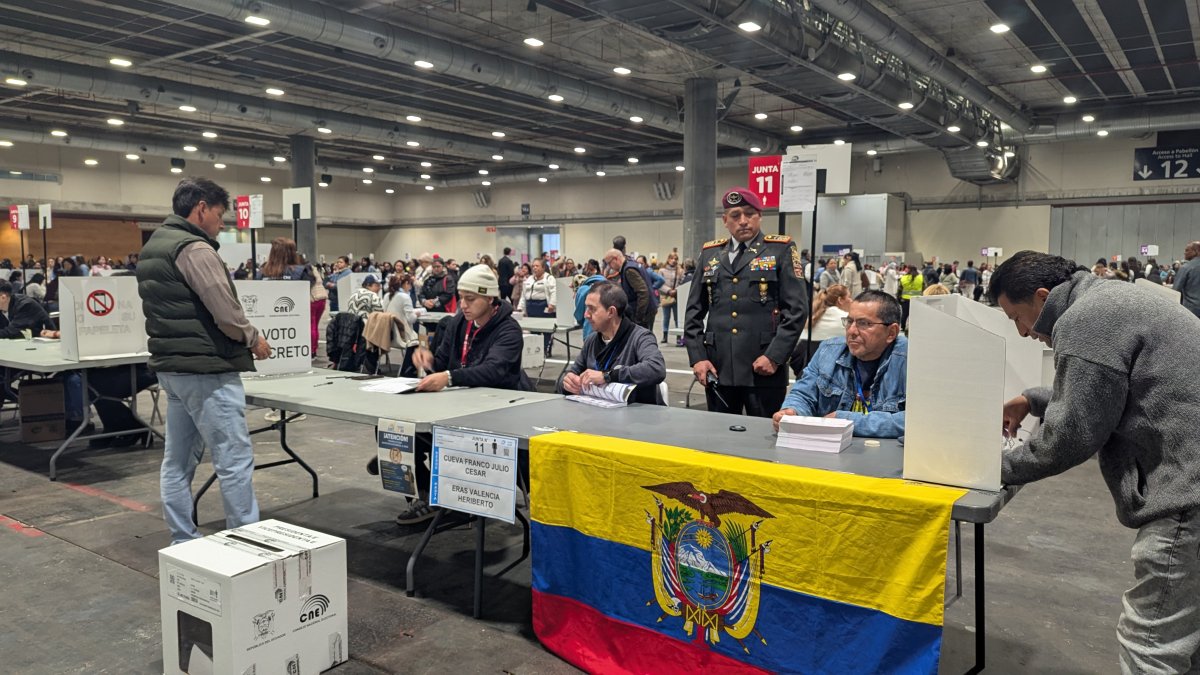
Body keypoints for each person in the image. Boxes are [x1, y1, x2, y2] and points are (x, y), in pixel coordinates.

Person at [987, 251, 1200, 674]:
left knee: (1151, 646)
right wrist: (1032, 399)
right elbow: (1113, 392)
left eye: (1017, 317)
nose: (1023, 332)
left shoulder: (1086, 319)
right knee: (1186, 641)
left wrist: (990, 467)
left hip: (1187, 496)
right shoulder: (1108, 299)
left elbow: (1071, 437)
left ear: (1043, 297)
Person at [135, 177, 271, 545]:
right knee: (233, 461)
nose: (222, 224)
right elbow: (225, 312)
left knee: (177, 463)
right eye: (219, 215)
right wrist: (253, 338)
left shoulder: (154, 246)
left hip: (172, 369)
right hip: (206, 370)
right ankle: (248, 543)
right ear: (201, 208)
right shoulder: (194, 248)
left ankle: (183, 539)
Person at [397, 265, 529, 524]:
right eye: (461, 298)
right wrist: (429, 360)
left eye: (471, 299)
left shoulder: (509, 330)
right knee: (394, 429)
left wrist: (448, 377)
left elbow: (493, 371)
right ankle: (426, 494)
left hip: (498, 413)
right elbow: (445, 359)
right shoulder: (460, 322)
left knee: (432, 436)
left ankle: (453, 502)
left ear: (490, 299)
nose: (464, 305)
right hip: (459, 405)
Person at [684, 187, 807, 417]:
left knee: (762, 442)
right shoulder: (710, 254)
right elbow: (693, 312)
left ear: (760, 216)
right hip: (718, 367)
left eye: (750, 214)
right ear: (725, 220)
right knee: (719, 440)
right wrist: (698, 358)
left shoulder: (780, 249)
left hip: (762, 368)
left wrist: (774, 356)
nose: (743, 221)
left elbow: (797, 310)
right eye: (735, 215)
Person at [773, 290, 906, 438]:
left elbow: (916, 421)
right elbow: (803, 394)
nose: (852, 331)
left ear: (891, 332)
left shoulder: (910, 361)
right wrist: (793, 411)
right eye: (849, 321)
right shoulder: (828, 350)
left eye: (863, 324)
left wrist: (847, 421)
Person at [560, 282, 666, 405]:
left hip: (639, 417)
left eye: (592, 309)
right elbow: (572, 373)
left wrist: (607, 376)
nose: (586, 315)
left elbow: (656, 369)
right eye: (586, 308)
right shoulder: (591, 341)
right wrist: (568, 383)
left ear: (611, 312)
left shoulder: (640, 337)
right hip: (599, 415)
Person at [790, 285, 851, 376]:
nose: (851, 300)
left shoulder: (811, 318)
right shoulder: (846, 319)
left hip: (805, 375)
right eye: (849, 297)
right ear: (840, 300)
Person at [603, 248, 653, 330]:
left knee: (641, 339)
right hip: (646, 309)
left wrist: (638, 317)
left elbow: (643, 293)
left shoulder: (629, 270)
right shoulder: (631, 264)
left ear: (615, 259)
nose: (610, 267)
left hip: (643, 312)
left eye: (609, 263)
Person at [517, 258, 557, 356]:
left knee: (547, 330)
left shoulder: (549, 278)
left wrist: (552, 304)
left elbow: (554, 292)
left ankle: (546, 349)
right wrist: (520, 307)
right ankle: (536, 351)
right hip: (531, 307)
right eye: (533, 266)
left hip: (544, 307)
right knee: (534, 330)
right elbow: (524, 294)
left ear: (543, 267)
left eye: (537, 266)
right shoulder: (529, 279)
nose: (534, 268)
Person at [658, 252, 684, 343]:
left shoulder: (680, 271)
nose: (674, 260)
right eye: (672, 258)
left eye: (676, 259)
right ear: (668, 259)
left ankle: (678, 337)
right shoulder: (662, 270)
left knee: (678, 318)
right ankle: (665, 336)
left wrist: (676, 290)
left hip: (677, 297)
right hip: (666, 296)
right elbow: (659, 284)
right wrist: (668, 290)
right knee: (666, 317)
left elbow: (682, 282)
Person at [1172, 240, 1200, 318]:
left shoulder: (1186, 268)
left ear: (1196, 251)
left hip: (1191, 312)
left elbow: (1175, 291)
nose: (1184, 252)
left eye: (1187, 250)